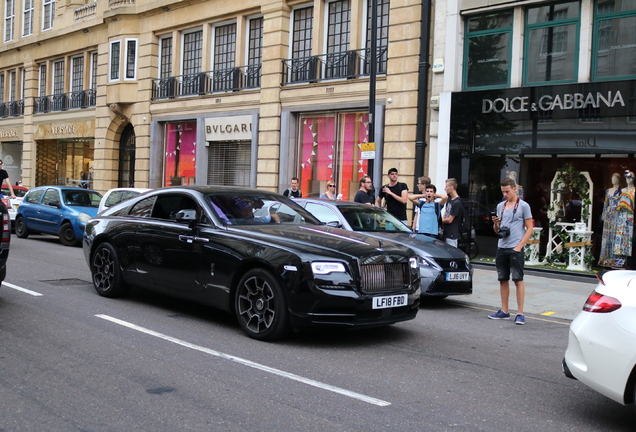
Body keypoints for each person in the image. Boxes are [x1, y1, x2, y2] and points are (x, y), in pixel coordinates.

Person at [489, 177, 533, 325]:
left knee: (518, 280)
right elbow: (497, 230)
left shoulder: (524, 206)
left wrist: (520, 246)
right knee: (502, 280)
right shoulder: (501, 206)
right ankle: (504, 311)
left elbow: (530, 228)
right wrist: (495, 224)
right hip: (502, 246)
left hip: (515, 248)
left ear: (515, 189)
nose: (505, 195)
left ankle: (520, 313)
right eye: (503, 192)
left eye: (507, 191)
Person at [598, 173, 623, 268]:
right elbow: (605, 204)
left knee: (614, 237)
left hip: (616, 214)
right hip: (609, 214)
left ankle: (614, 260)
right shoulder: (608, 191)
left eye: (615, 178)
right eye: (612, 178)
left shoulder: (621, 191)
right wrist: (604, 215)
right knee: (606, 237)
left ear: (618, 180)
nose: (613, 180)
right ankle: (604, 259)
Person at [612, 170, 635, 266]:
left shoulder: (634, 190)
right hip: (621, 217)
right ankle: (620, 261)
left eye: (629, 178)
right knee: (620, 238)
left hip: (630, 217)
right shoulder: (622, 190)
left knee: (628, 239)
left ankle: (629, 261)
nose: (627, 180)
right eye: (626, 178)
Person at [441, 178, 463, 247]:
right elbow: (446, 212)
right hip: (446, 232)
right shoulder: (449, 200)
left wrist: (440, 220)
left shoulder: (457, 202)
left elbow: (450, 220)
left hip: (452, 234)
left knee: (451, 253)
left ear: (452, 187)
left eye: (446, 187)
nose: (445, 189)